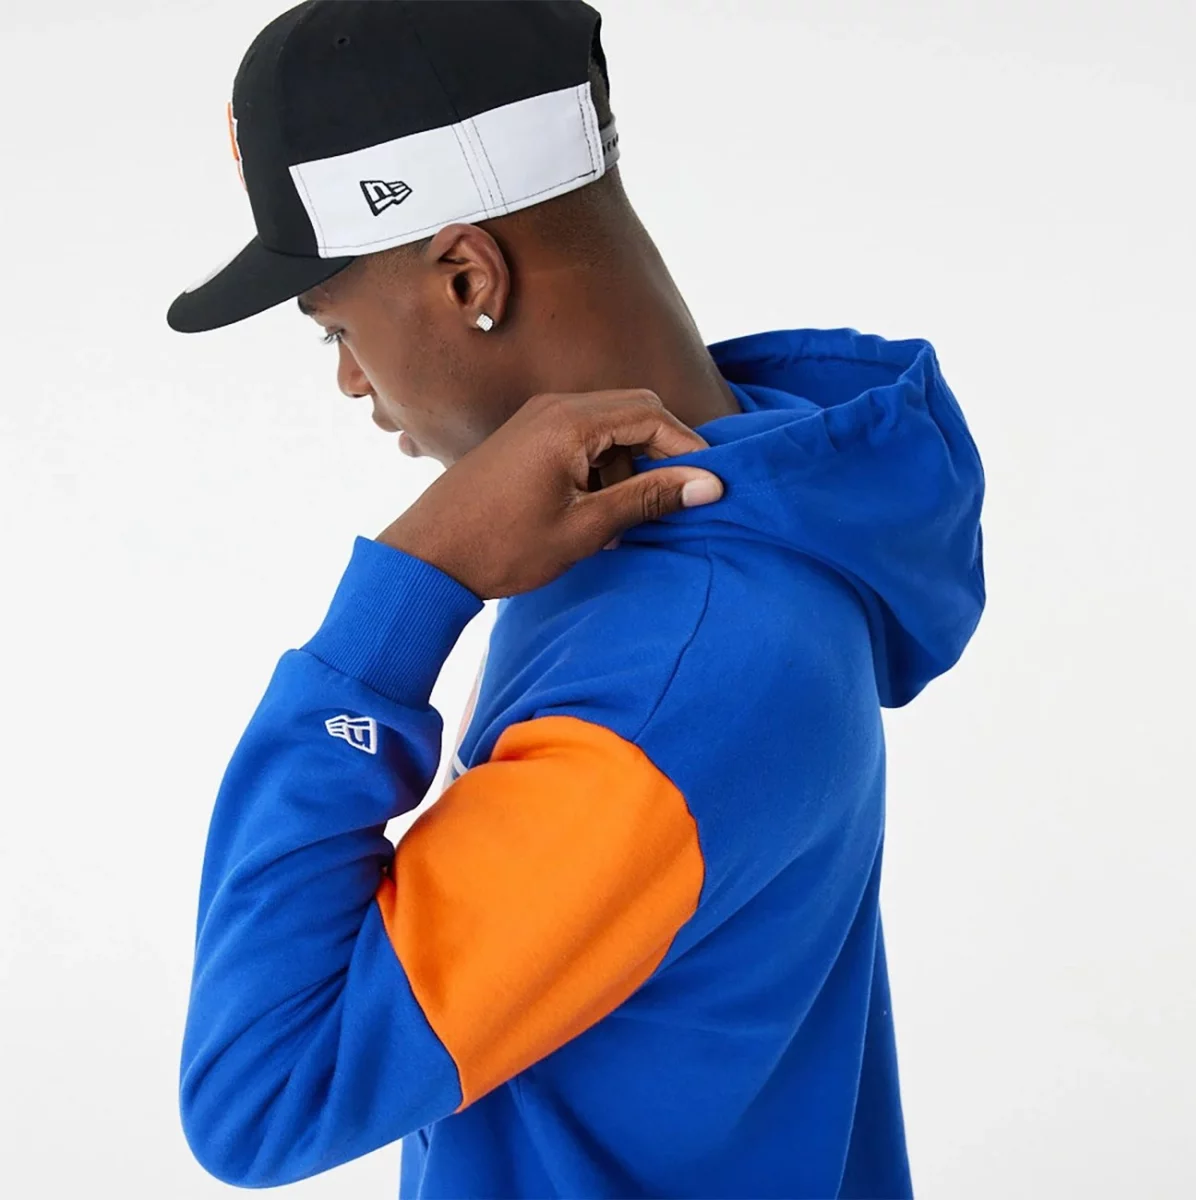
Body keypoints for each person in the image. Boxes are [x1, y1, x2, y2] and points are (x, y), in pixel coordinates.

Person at [167, 2, 986, 1197]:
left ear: (467, 276)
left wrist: (406, 590)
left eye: (334, 325)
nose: (347, 378)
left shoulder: (671, 675)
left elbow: (261, 1094)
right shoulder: (727, 505)